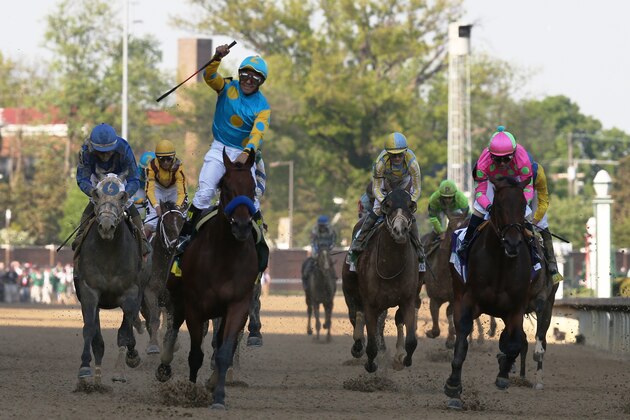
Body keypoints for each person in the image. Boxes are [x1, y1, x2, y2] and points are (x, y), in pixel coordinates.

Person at [177, 43, 271, 256]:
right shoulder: (227, 87)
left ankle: (259, 248)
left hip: (245, 154)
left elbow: (258, 133)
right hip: (219, 148)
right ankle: (184, 237)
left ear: (260, 83)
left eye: (255, 79)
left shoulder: (263, 107)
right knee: (205, 193)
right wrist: (216, 58)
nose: (248, 81)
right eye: (246, 75)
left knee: (252, 200)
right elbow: (210, 77)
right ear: (239, 74)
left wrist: (247, 152)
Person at [456, 126, 536, 263]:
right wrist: (488, 206)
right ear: (490, 154)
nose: (502, 163)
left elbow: (528, 187)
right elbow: (480, 192)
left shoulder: (522, 159)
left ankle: (533, 248)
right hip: (492, 182)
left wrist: (521, 203)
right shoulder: (483, 163)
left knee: (526, 213)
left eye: (507, 158)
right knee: (479, 210)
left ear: (514, 153)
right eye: (497, 159)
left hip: (515, 181)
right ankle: (466, 242)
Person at [348, 132, 425, 271]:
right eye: (393, 155)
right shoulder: (380, 163)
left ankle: (419, 248)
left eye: (400, 154)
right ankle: (359, 241)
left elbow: (417, 188)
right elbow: (376, 187)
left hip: (404, 182)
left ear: (405, 152)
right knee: (377, 209)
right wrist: (386, 202)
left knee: (408, 213)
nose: (397, 158)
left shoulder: (413, 163)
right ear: (388, 154)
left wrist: (408, 202)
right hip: (385, 182)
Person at [72, 123, 148, 255]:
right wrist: (91, 191)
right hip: (98, 181)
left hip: (121, 181)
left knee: (130, 206)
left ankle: (142, 240)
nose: (105, 156)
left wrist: (126, 193)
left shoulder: (124, 148)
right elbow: (82, 178)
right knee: (92, 204)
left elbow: (134, 179)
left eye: (108, 152)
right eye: (100, 153)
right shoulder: (85, 151)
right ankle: (80, 236)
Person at [528, 154, 564, 283]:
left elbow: (543, 203)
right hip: (516, 191)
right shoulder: (512, 171)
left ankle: (552, 263)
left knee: (542, 224)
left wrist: (534, 222)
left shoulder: (539, 173)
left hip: (534, 192)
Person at [143, 140, 188, 239]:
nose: (166, 162)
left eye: (169, 158)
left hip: (174, 189)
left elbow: (182, 192)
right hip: (157, 189)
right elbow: (149, 190)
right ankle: (142, 249)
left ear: (174, 157)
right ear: (157, 158)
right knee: (151, 220)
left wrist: (177, 207)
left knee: (181, 217)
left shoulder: (178, 167)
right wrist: (156, 206)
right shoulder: (152, 166)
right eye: (162, 159)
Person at [303, 215, 337, 284]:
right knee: (312, 260)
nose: (322, 227)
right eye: (321, 225)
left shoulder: (331, 231)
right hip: (317, 249)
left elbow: (333, 241)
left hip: (327, 249)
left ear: (326, 225)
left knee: (329, 262)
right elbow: (313, 242)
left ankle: (333, 276)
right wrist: (316, 250)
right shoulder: (315, 230)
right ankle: (306, 275)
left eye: (323, 225)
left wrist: (330, 248)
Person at [133, 151, 156, 220]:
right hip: (140, 189)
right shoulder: (135, 174)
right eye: (145, 170)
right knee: (137, 209)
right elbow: (130, 196)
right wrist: (141, 201)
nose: (148, 173)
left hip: (153, 189)